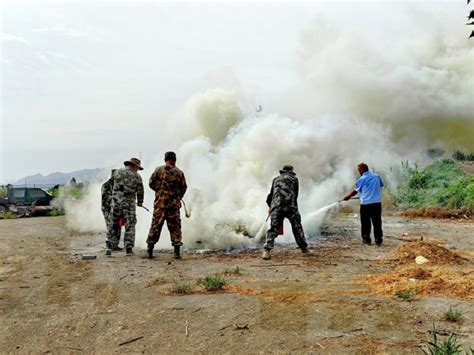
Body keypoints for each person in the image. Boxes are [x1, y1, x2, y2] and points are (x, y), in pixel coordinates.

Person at [146, 151, 187, 260]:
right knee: (175, 227)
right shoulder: (180, 173)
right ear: (175, 160)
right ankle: (177, 253)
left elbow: (151, 183)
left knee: (155, 226)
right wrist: (177, 197)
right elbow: (184, 188)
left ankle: (149, 251)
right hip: (174, 205)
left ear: (165, 159)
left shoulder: (158, 170)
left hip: (160, 204)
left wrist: (160, 191)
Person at [262, 165, 308, 260]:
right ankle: (304, 249)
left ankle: (266, 251)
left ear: (282, 171)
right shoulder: (295, 179)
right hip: (291, 207)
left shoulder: (275, 179)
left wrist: (271, 207)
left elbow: (270, 195)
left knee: (273, 229)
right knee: (297, 228)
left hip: (276, 207)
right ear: (291, 171)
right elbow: (295, 195)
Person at [107, 158, 144, 256]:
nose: (138, 170)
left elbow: (109, 185)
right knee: (130, 225)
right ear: (135, 166)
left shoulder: (116, 173)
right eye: (138, 168)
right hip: (129, 205)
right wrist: (140, 202)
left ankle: (111, 246)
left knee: (114, 224)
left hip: (115, 203)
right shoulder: (137, 177)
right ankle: (128, 248)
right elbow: (140, 191)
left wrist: (114, 196)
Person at [342, 163, 384, 246]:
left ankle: (366, 240)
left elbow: (355, 191)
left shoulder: (361, 179)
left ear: (361, 170)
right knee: (377, 222)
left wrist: (348, 196)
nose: (358, 172)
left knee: (365, 223)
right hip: (376, 204)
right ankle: (378, 239)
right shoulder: (376, 176)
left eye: (358, 170)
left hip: (365, 205)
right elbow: (381, 185)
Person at [101, 169, 122, 251]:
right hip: (107, 209)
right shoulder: (106, 185)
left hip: (116, 209)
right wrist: (117, 198)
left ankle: (115, 245)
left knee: (117, 226)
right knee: (110, 226)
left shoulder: (118, 185)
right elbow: (106, 197)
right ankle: (109, 244)